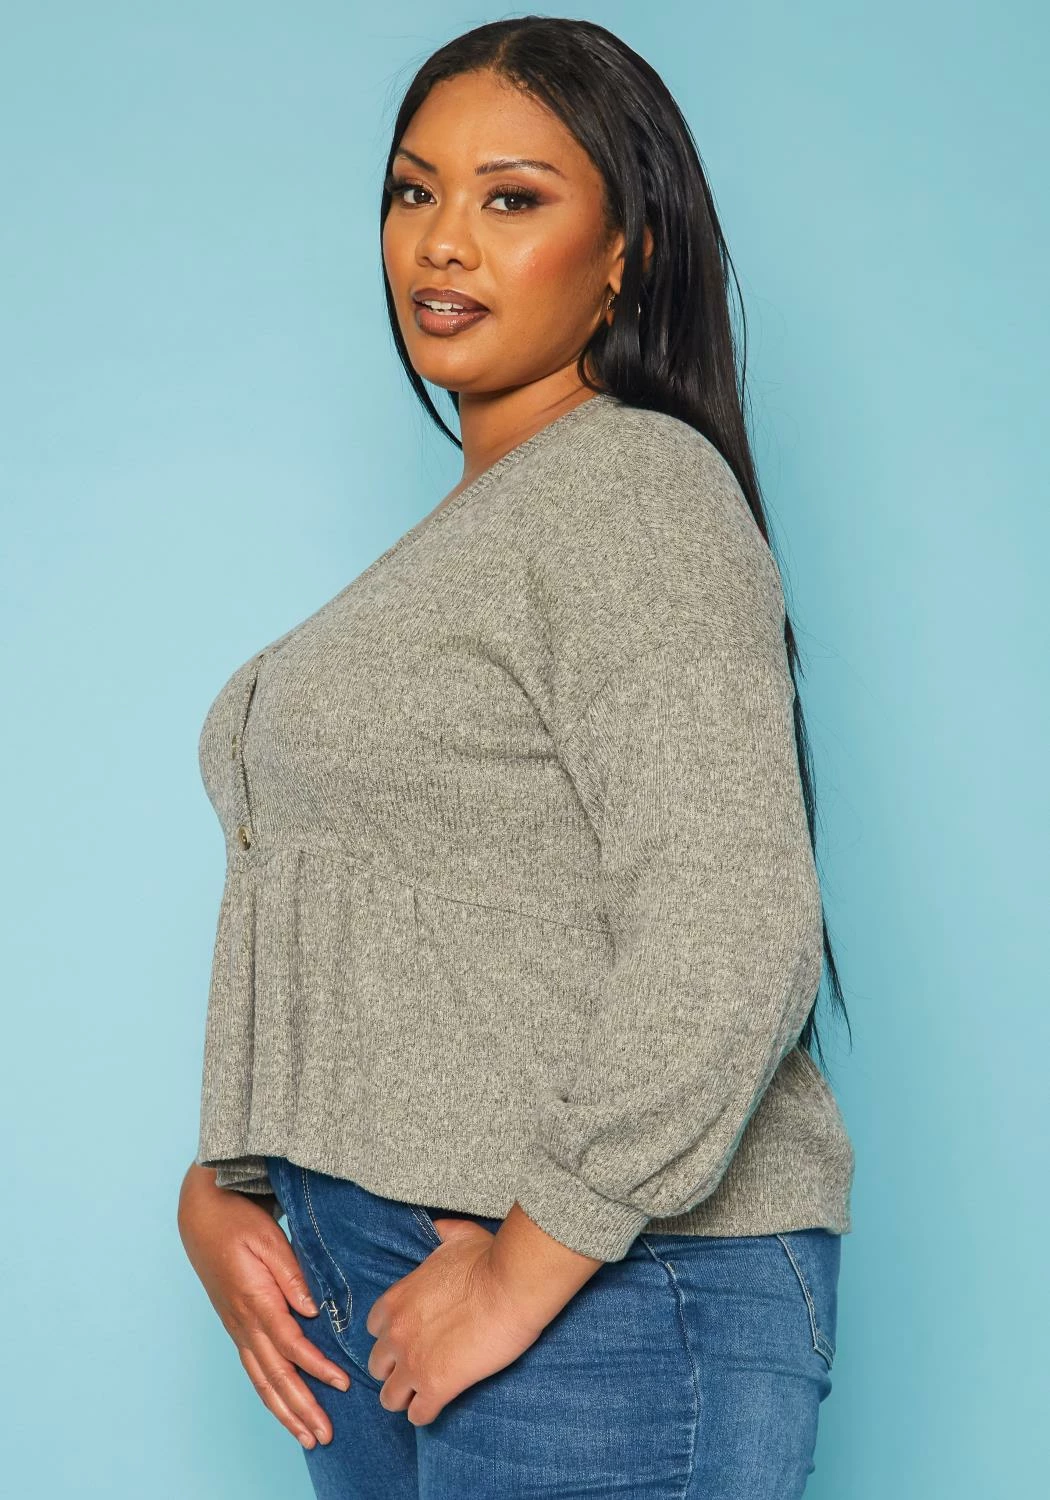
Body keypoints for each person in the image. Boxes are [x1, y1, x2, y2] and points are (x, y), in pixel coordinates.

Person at [177, 16, 856, 1498]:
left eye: (512, 198)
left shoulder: (633, 493)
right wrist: (230, 1175)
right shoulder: (492, 528)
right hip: (391, 1274)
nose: (443, 242)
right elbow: (408, 907)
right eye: (414, 191)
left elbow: (734, 920)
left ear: (626, 254)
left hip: (599, 1296)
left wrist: (535, 1254)